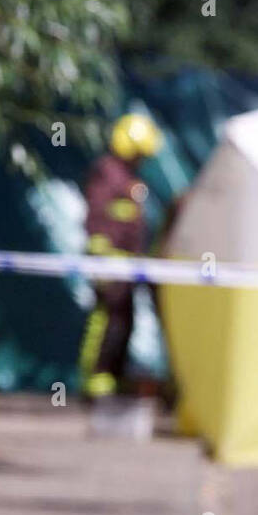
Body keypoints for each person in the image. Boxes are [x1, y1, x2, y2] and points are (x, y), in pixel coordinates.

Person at [78, 113, 165, 400]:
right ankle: (95, 378)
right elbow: (97, 214)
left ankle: (113, 374)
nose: (142, 160)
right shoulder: (108, 172)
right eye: (139, 153)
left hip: (128, 263)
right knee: (106, 318)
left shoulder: (130, 179)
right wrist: (101, 253)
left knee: (125, 319)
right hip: (109, 262)